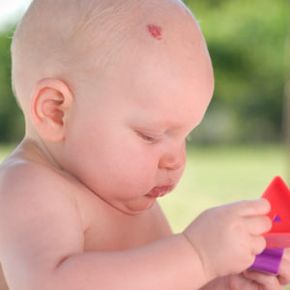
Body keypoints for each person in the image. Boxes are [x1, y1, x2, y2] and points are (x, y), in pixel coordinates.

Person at [0, 0, 289, 289]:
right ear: (56, 112)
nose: (176, 160)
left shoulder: (124, 193)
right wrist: (197, 256)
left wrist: (223, 280)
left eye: (185, 136)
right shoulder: (29, 186)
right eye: (149, 135)